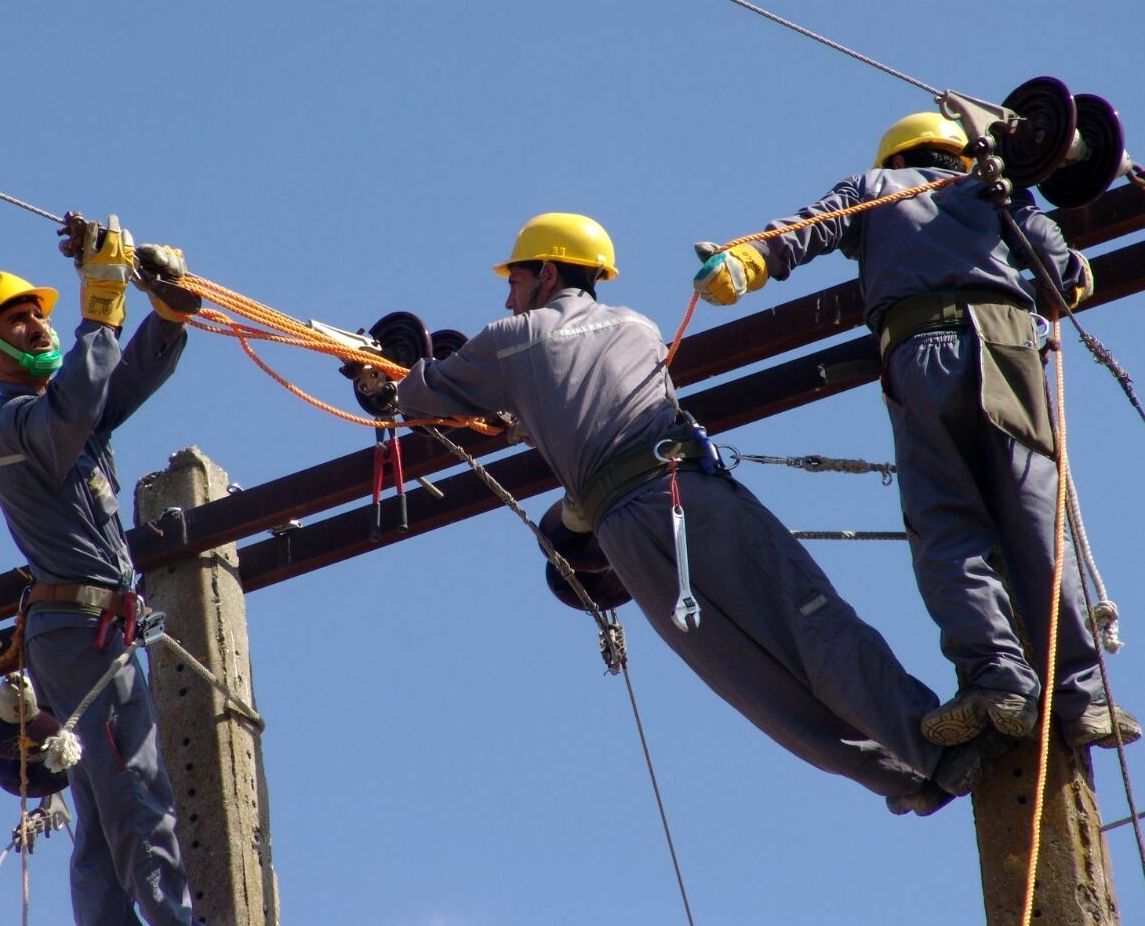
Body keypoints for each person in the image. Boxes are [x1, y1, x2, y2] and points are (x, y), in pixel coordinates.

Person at [393, 212, 1009, 817]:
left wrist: (383, 373)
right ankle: (935, 751)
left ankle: (907, 777)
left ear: (548, 274)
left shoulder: (509, 343)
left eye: (515, 281)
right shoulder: (636, 327)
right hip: (684, 491)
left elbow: (416, 394)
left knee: (749, 680)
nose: (508, 298)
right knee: (808, 622)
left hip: (625, 534)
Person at [692, 113, 1140, 753]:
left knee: (946, 525)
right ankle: (1084, 696)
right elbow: (1063, 274)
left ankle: (997, 681)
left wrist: (744, 263)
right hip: (1008, 354)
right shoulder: (996, 187)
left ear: (896, 158)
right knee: (1035, 523)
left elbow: (803, 232)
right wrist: (1067, 264)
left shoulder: (873, 187)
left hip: (918, 355)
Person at [0, 214, 211, 926]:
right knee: (134, 788)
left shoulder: (62, 420)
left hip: (86, 633)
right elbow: (80, 399)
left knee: (103, 812)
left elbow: (119, 382)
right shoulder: (15, 428)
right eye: (19, 320)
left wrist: (165, 308)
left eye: (41, 314)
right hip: (80, 632)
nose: (39, 326)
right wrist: (99, 303)